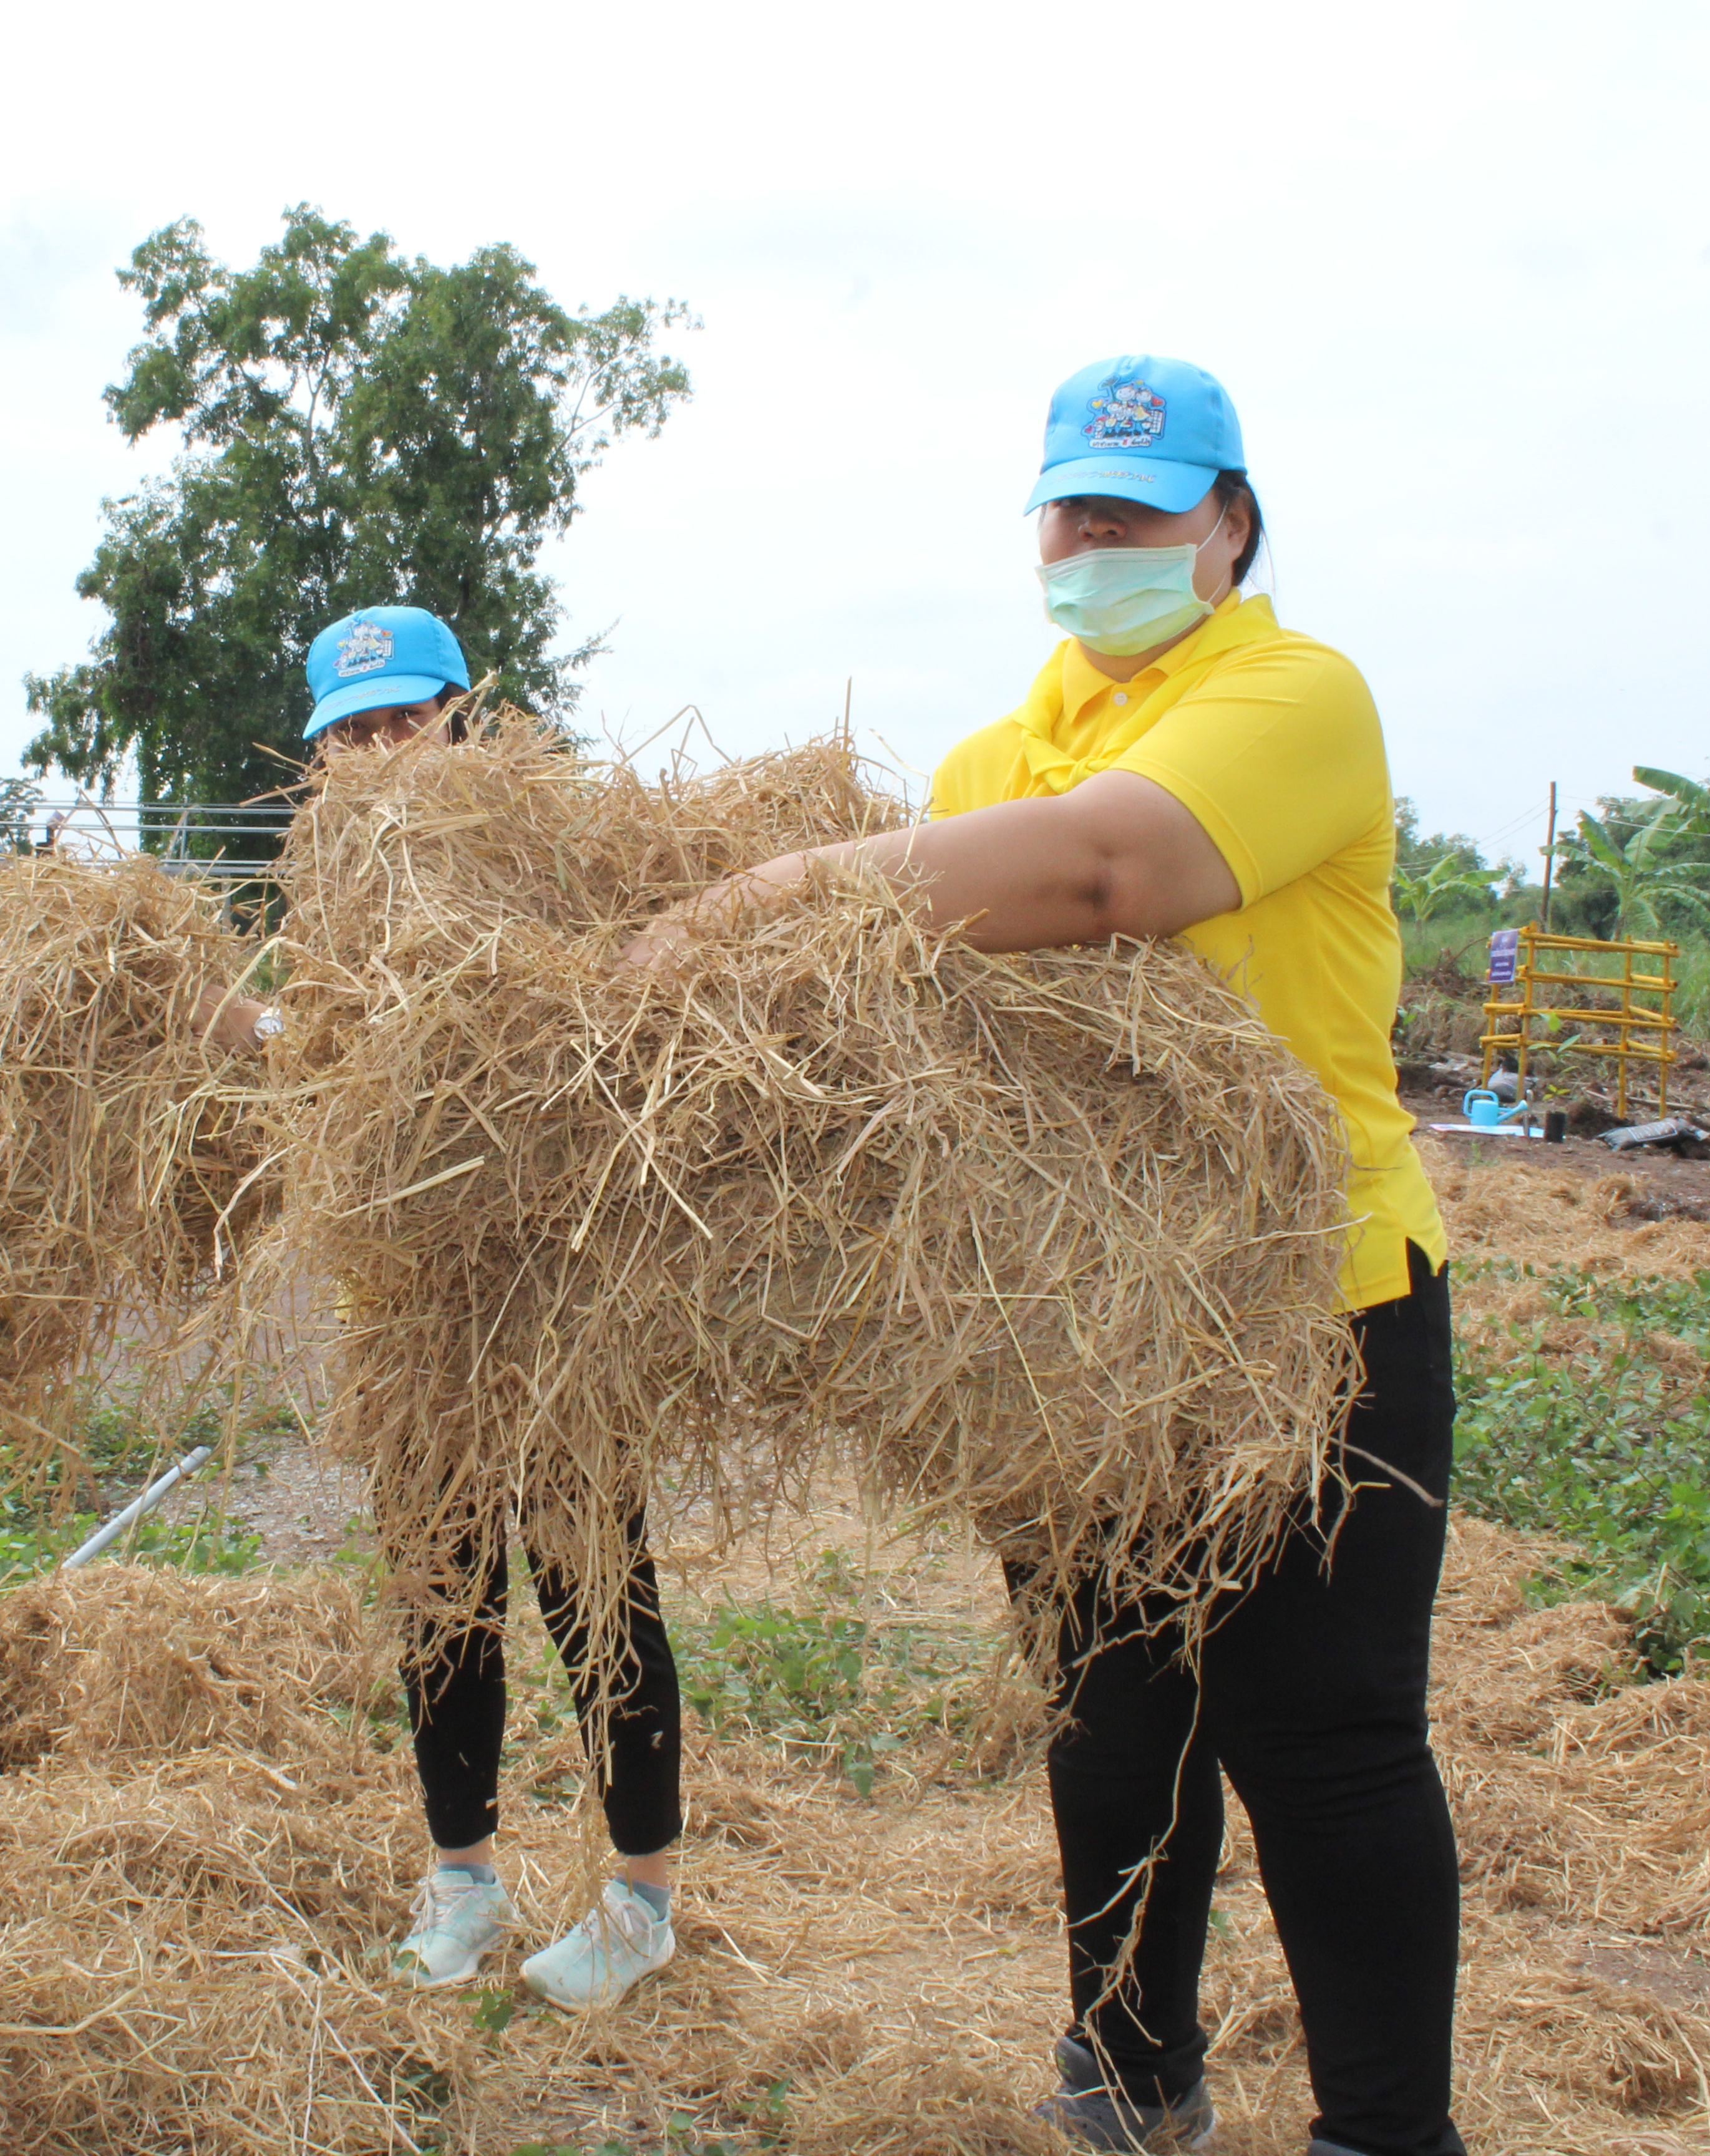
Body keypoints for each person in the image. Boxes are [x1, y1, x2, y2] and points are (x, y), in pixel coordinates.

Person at [626, 357, 1460, 2156]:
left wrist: (744, 905)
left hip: (1307, 1322)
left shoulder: (1299, 698)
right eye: (1070, 509)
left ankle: (1388, 2135)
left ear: (1228, 527)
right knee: (1111, 1727)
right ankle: (1129, 2070)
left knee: (1324, 1748)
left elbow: (1106, 879)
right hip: (1080, 1346)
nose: (1096, 541)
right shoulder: (993, 760)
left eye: (1140, 511)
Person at [206, 603, 688, 2013]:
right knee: (440, 1599)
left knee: (597, 1591)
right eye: (351, 731)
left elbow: (611, 1034)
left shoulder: (547, 850)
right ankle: (464, 1881)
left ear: (465, 715)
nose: (382, 750)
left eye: (405, 718)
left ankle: (642, 1899)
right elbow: (330, 1067)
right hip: (415, 1306)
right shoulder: (330, 892)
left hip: (552, 1302)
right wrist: (237, 1031)